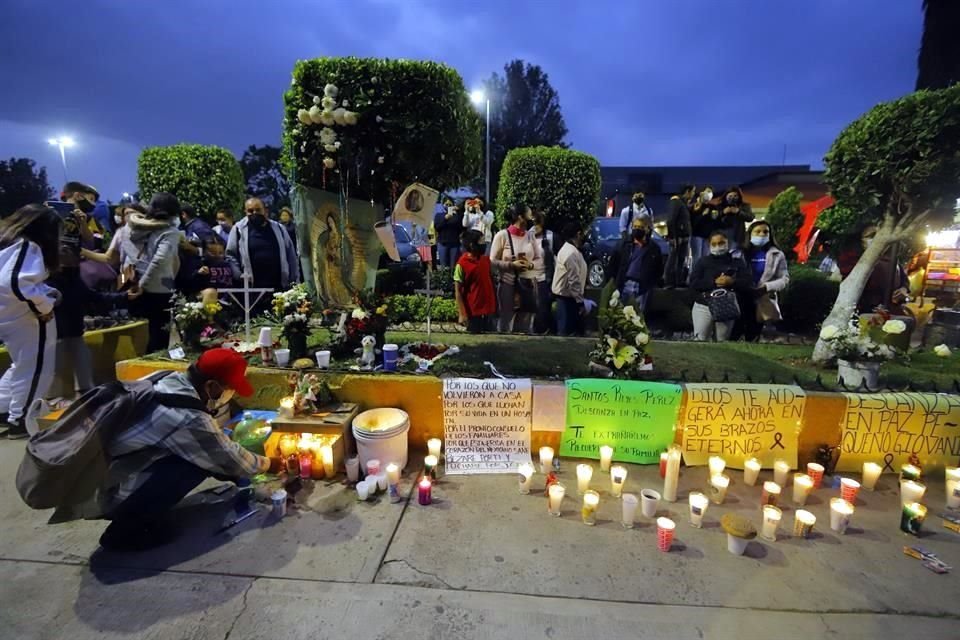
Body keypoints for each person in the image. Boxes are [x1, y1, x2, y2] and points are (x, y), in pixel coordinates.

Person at [88, 349, 283, 551]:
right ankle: (126, 530)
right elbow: (227, 455)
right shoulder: (186, 415)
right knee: (196, 463)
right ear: (210, 385)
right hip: (110, 491)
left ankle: (139, 510)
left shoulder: (168, 379)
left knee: (205, 453)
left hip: (106, 472)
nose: (229, 394)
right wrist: (269, 464)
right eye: (228, 388)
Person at [47, 241, 140, 400]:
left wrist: (124, 296)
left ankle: (86, 397)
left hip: (75, 332)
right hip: (56, 335)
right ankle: (53, 403)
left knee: (83, 370)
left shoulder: (75, 280)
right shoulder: (49, 283)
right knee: (57, 372)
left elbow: (94, 297)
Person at [0, 204, 62, 439]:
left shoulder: (8, 242)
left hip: (10, 315)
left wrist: (46, 292)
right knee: (37, 369)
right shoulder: (28, 245)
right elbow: (15, 283)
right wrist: (43, 307)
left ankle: (5, 409)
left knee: (21, 366)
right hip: (27, 317)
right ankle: (22, 420)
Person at [127, 193, 182, 353]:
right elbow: (160, 260)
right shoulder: (170, 231)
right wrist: (143, 285)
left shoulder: (142, 229)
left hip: (137, 283)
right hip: (159, 287)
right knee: (160, 336)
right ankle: (156, 372)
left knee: (146, 333)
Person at [689, 230, 751, 342]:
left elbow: (747, 283)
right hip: (704, 306)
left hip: (726, 306)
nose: (718, 246)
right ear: (709, 245)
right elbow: (693, 283)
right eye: (714, 244)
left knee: (722, 341)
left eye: (721, 243)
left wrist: (732, 282)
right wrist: (714, 282)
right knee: (700, 340)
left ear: (728, 243)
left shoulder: (737, 262)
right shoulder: (703, 262)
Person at [227, 197, 299, 292]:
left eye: (258, 210)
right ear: (245, 212)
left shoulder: (279, 228)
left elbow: (291, 255)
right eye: (250, 211)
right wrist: (239, 275)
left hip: (279, 288)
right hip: (251, 289)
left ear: (265, 210)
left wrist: (294, 282)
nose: (254, 213)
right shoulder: (238, 229)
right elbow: (230, 255)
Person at [490, 203, 542, 333]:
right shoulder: (502, 235)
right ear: (520, 217)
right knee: (506, 321)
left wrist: (530, 265)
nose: (532, 218)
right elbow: (492, 261)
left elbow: (539, 259)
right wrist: (511, 265)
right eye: (529, 215)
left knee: (526, 321)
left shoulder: (530, 236)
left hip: (528, 283)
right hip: (508, 284)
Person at [737, 220, 790, 342]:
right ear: (750, 234)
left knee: (754, 331)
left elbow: (784, 278)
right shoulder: (739, 253)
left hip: (762, 297)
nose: (761, 234)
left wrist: (767, 287)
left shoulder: (777, 254)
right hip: (742, 296)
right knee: (736, 329)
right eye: (758, 231)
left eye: (765, 232)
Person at [838, 225, 909, 314]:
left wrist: (903, 289)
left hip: (890, 314)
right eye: (872, 235)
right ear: (860, 240)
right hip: (863, 313)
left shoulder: (893, 260)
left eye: (881, 235)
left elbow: (904, 281)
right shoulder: (851, 258)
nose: (877, 239)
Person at [82, 202, 146, 288]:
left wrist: (82, 251)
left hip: (145, 273)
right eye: (126, 214)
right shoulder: (120, 232)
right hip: (126, 274)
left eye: (132, 213)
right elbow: (108, 257)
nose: (129, 216)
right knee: (125, 293)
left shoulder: (151, 231)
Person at [608, 217, 664, 312]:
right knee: (620, 315)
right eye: (635, 226)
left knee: (638, 317)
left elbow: (658, 269)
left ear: (647, 229)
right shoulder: (623, 245)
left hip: (642, 288)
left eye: (641, 227)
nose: (637, 229)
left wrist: (650, 284)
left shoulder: (654, 248)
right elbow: (613, 264)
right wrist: (614, 283)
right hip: (624, 285)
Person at [454, 230, 496, 334]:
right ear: (472, 245)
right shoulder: (461, 264)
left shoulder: (485, 260)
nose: (484, 245)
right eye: (481, 242)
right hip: (473, 312)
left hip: (489, 310)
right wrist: (462, 313)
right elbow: (458, 292)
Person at [552, 222, 589, 336]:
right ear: (578, 234)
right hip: (567, 300)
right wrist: (580, 302)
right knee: (566, 335)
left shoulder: (572, 250)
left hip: (570, 298)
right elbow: (574, 280)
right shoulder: (570, 253)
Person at [177, 203, 217, 295]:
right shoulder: (184, 228)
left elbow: (212, 251)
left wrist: (192, 249)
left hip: (200, 276)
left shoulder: (200, 227)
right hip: (188, 275)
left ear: (183, 214)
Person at [530, 210, 556, 334]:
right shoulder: (527, 236)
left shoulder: (550, 237)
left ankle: (543, 330)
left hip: (545, 278)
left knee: (543, 308)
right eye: (533, 223)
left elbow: (554, 258)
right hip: (530, 278)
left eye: (538, 223)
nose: (535, 227)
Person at [664, 184, 694, 288]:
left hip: (683, 238)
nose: (693, 194)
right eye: (693, 191)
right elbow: (671, 220)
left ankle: (679, 281)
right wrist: (673, 237)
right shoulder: (676, 202)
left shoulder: (682, 203)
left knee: (681, 260)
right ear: (687, 191)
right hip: (678, 238)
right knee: (673, 260)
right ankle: (668, 282)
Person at [690, 186, 721, 266]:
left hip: (708, 236)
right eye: (707, 191)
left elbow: (716, 222)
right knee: (697, 258)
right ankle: (694, 276)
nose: (708, 194)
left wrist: (716, 217)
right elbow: (693, 222)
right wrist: (703, 215)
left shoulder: (713, 207)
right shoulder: (695, 206)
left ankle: (704, 275)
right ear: (701, 193)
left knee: (706, 257)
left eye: (710, 192)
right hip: (696, 235)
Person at [434, 199, 464, 269]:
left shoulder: (457, 216)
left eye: (450, 205)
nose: (448, 206)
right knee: (443, 266)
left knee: (453, 265)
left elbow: (461, 227)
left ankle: (452, 279)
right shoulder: (439, 215)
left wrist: (457, 212)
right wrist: (445, 218)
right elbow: (437, 227)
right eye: (446, 204)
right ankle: (443, 279)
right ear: (443, 205)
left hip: (454, 244)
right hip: (442, 243)